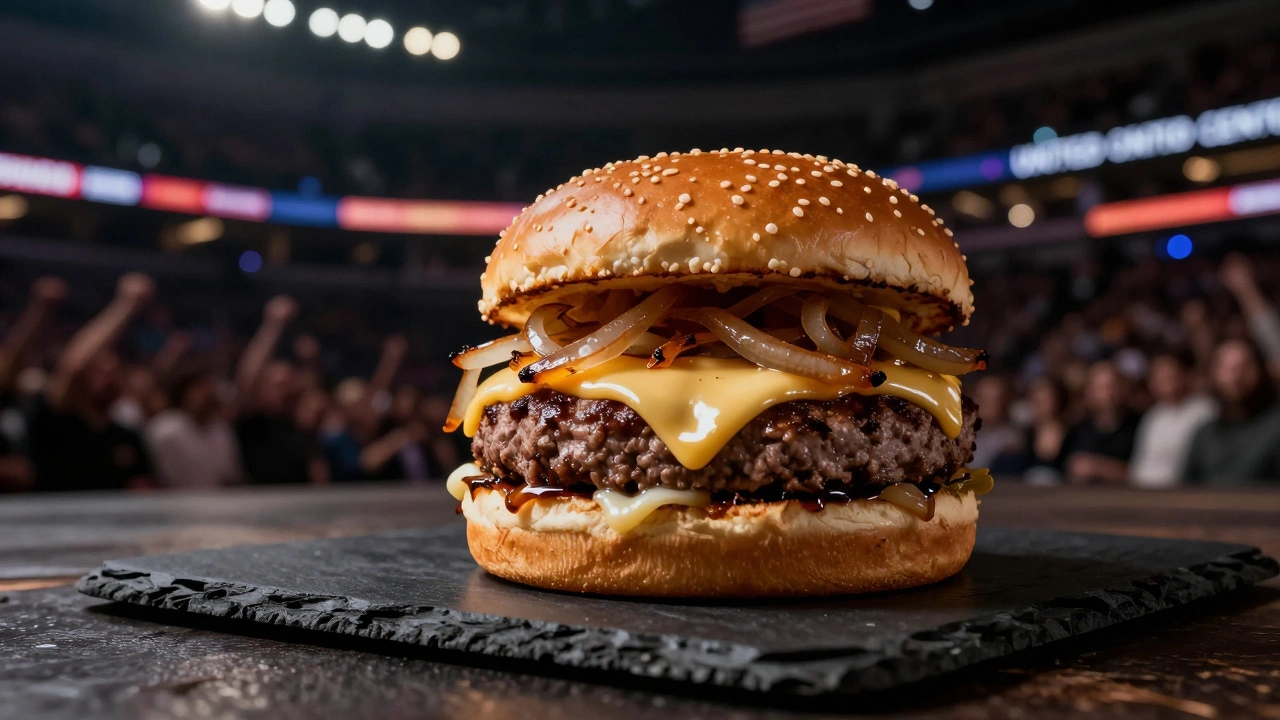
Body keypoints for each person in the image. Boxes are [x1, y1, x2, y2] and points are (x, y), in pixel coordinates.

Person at [26, 273, 155, 491]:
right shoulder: (58, 417)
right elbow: (73, 366)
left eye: (115, 372)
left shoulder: (127, 434)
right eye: (100, 371)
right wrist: (126, 305)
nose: (109, 378)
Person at [233, 296, 328, 485]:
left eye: (287, 384)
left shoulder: (298, 425)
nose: (283, 390)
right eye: (277, 385)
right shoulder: (252, 422)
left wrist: (310, 362)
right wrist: (273, 325)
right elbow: (248, 377)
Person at [1183, 338, 1280, 484]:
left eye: (1244, 366)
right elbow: (1185, 488)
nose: (1236, 376)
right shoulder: (1204, 433)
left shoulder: (1275, 427)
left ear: (1261, 370)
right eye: (1226, 368)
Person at [145, 358, 243, 488]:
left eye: (211, 386)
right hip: (176, 499)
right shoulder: (165, 430)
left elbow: (231, 477)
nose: (208, 394)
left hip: (218, 499)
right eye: (200, 387)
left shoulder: (221, 430)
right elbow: (163, 481)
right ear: (183, 392)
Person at [1129, 351, 1216, 488]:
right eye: (1159, 377)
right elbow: (1139, 462)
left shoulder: (1204, 410)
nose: (1166, 381)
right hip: (1144, 491)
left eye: (1170, 375)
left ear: (1184, 375)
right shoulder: (1153, 415)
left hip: (1183, 491)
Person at [1058, 360, 1138, 484]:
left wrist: (1100, 468)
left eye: (1112, 386)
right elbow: (1063, 469)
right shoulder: (1077, 429)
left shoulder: (1140, 426)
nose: (1108, 394)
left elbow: (1144, 472)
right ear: (1089, 392)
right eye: (1101, 388)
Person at [970, 375, 1029, 476]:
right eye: (983, 399)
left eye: (993, 400)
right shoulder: (961, 435)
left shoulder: (1012, 439)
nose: (987, 405)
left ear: (1004, 402)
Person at [1022, 376, 1068, 485]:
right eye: (1037, 401)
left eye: (1046, 401)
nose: (1041, 406)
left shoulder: (1072, 433)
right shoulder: (1026, 434)